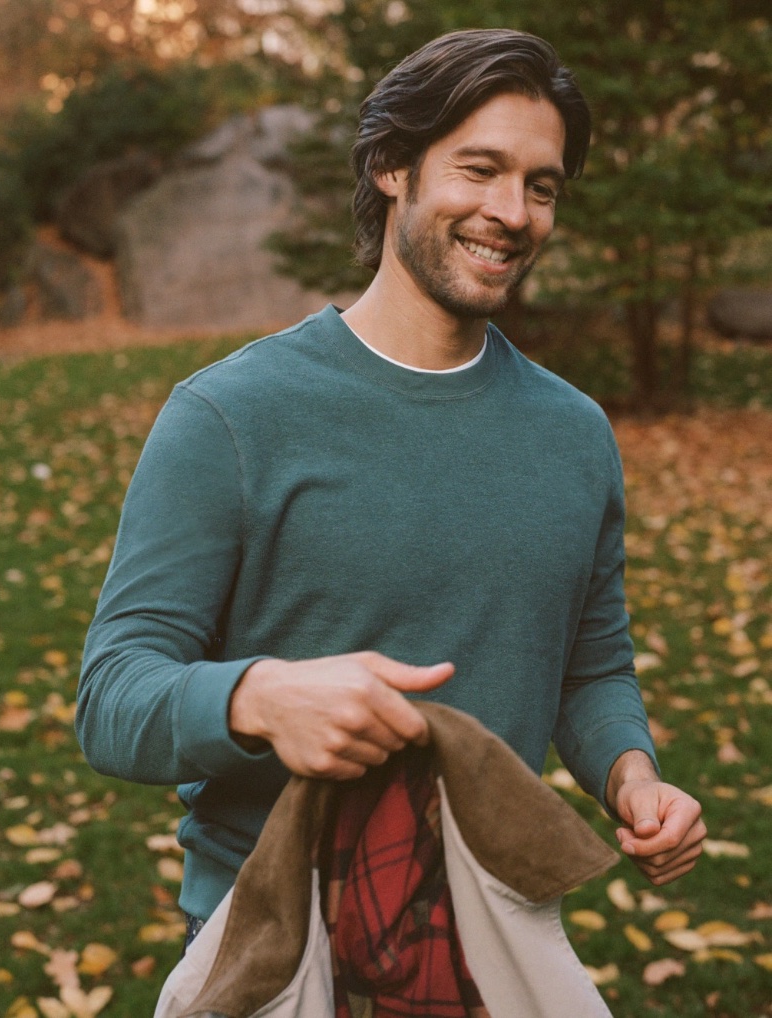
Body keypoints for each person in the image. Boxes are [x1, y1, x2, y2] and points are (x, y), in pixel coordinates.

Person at [76, 28, 705, 942]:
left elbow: (589, 666)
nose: (513, 212)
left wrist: (633, 777)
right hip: (280, 942)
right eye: (479, 169)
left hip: (500, 931)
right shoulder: (231, 415)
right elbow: (113, 697)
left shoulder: (575, 433)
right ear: (392, 168)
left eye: (541, 186)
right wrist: (258, 699)